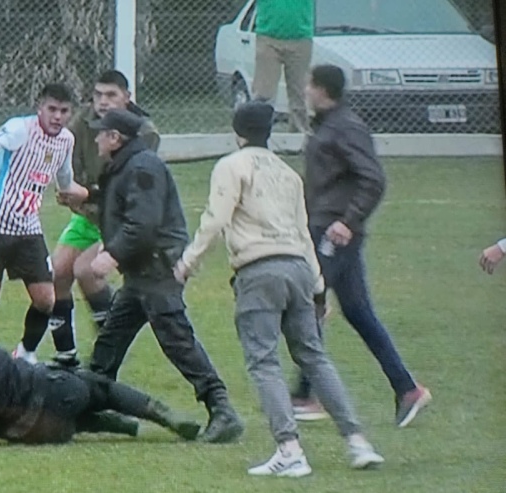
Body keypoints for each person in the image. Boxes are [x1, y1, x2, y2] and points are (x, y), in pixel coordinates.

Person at [173, 101, 386, 477]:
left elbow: (216, 219)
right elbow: (304, 232)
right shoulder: (288, 174)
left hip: (259, 270)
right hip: (299, 269)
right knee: (314, 357)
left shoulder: (232, 166)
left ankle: (289, 449)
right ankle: (357, 441)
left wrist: (188, 262)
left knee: (264, 360)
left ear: (237, 132)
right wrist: (319, 287)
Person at [60, 109, 244, 444]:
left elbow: (142, 224)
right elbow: (120, 201)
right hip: (142, 273)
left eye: (102, 133)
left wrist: (110, 255)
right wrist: (87, 196)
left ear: (116, 139)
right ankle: (91, 404)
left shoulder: (143, 167)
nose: (97, 137)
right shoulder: (128, 165)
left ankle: (222, 409)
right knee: (110, 341)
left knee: (177, 340)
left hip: (156, 269)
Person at [295, 64, 431, 427]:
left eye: (310, 84)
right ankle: (406, 389)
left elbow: (373, 179)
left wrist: (348, 221)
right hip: (325, 227)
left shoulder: (346, 127)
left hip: (335, 232)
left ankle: (305, 395)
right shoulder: (328, 124)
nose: (305, 90)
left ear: (323, 90)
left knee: (311, 299)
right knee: (356, 312)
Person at [0, 320, 202, 449]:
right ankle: (158, 413)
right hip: (55, 390)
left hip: (35, 432)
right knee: (99, 389)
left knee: (65, 420)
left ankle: (118, 426)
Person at [0, 83, 89, 363]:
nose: (57, 117)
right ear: (39, 107)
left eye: (64, 111)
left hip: (28, 228)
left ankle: (26, 354)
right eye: (52, 109)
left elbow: (64, 181)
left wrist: (84, 194)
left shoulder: (66, 140)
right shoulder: (20, 130)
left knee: (46, 299)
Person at [46, 70, 160, 366]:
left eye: (111, 95)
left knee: (87, 270)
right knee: (57, 272)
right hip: (88, 215)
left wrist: (86, 192)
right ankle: (66, 355)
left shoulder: (145, 132)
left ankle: (109, 347)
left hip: (120, 219)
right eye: (98, 95)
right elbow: (69, 168)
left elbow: (126, 189)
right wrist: (70, 190)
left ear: (127, 98)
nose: (103, 102)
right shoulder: (80, 124)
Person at [251, 0, 314, 134]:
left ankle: (300, 134)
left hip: (300, 38)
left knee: (299, 91)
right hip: (268, 37)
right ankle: (257, 133)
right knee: (263, 91)